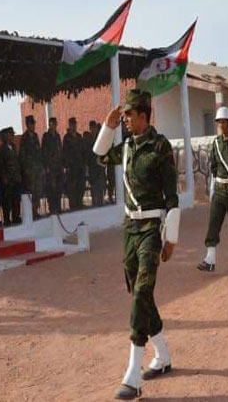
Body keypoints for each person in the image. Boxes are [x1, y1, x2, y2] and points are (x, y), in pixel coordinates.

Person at [91, 89, 180, 400]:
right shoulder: (127, 146)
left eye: (129, 114)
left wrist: (171, 239)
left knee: (142, 292)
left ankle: (132, 373)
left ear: (144, 115)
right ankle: (163, 355)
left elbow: (172, 196)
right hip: (130, 227)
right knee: (139, 292)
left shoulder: (160, 146)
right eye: (124, 115)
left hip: (152, 229)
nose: (126, 119)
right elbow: (100, 156)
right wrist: (109, 126)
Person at [197, 106, 228, 273]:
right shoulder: (216, 143)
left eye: (224, 122)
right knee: (213, 224)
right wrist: (212, 189)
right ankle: (210, 260)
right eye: (219, 122)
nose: (222, 125)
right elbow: (214, 168)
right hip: (219, 190)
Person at [18, 115, 44, 217]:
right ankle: (31, 212)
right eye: (31, 124)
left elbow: (39, 153)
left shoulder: (36, 136)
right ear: (27, 125)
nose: (33, 126)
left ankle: (36, 210)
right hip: (30, 171)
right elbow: (22, 156)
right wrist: (26, 170)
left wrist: (41, 167)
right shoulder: (24, 138)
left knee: (38, 190)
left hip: (37, 170)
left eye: (33, 124)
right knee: (30, 191)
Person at [62, 117, 86, 211]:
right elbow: (65, 153)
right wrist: (67, 166)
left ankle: (79, 203)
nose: (74, 126)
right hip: (71, 168)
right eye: (72, 124)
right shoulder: (66, 138)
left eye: (75, 124)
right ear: (69, 125)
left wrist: (84, 164)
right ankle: (73, 205)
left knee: (81, 186)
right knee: (72, 188)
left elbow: (83, 151)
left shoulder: (79, 137)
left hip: (80, 166)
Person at [42, 117, 62, 214]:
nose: (54, 126)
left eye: (55, 124)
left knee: (58, 188)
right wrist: (46, 166)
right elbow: (44, 152)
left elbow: (60, 150)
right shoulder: (46, 136)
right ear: (49, 125)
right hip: (51, 167)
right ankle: (52, 208)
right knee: (52, 189)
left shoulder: (57, 136)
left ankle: (58, 207)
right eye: (52, 124)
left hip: (58, 167)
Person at [87, 120, 107, 206]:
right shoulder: (88, 139)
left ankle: (100, 201)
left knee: (100, 185)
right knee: (94, 186)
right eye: (91, 128)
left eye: (94, 128)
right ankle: (94, 202)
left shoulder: (99, 138)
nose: (93, 129)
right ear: (90, 128)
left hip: (99, 166)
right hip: (92, 166)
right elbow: (86, 152)